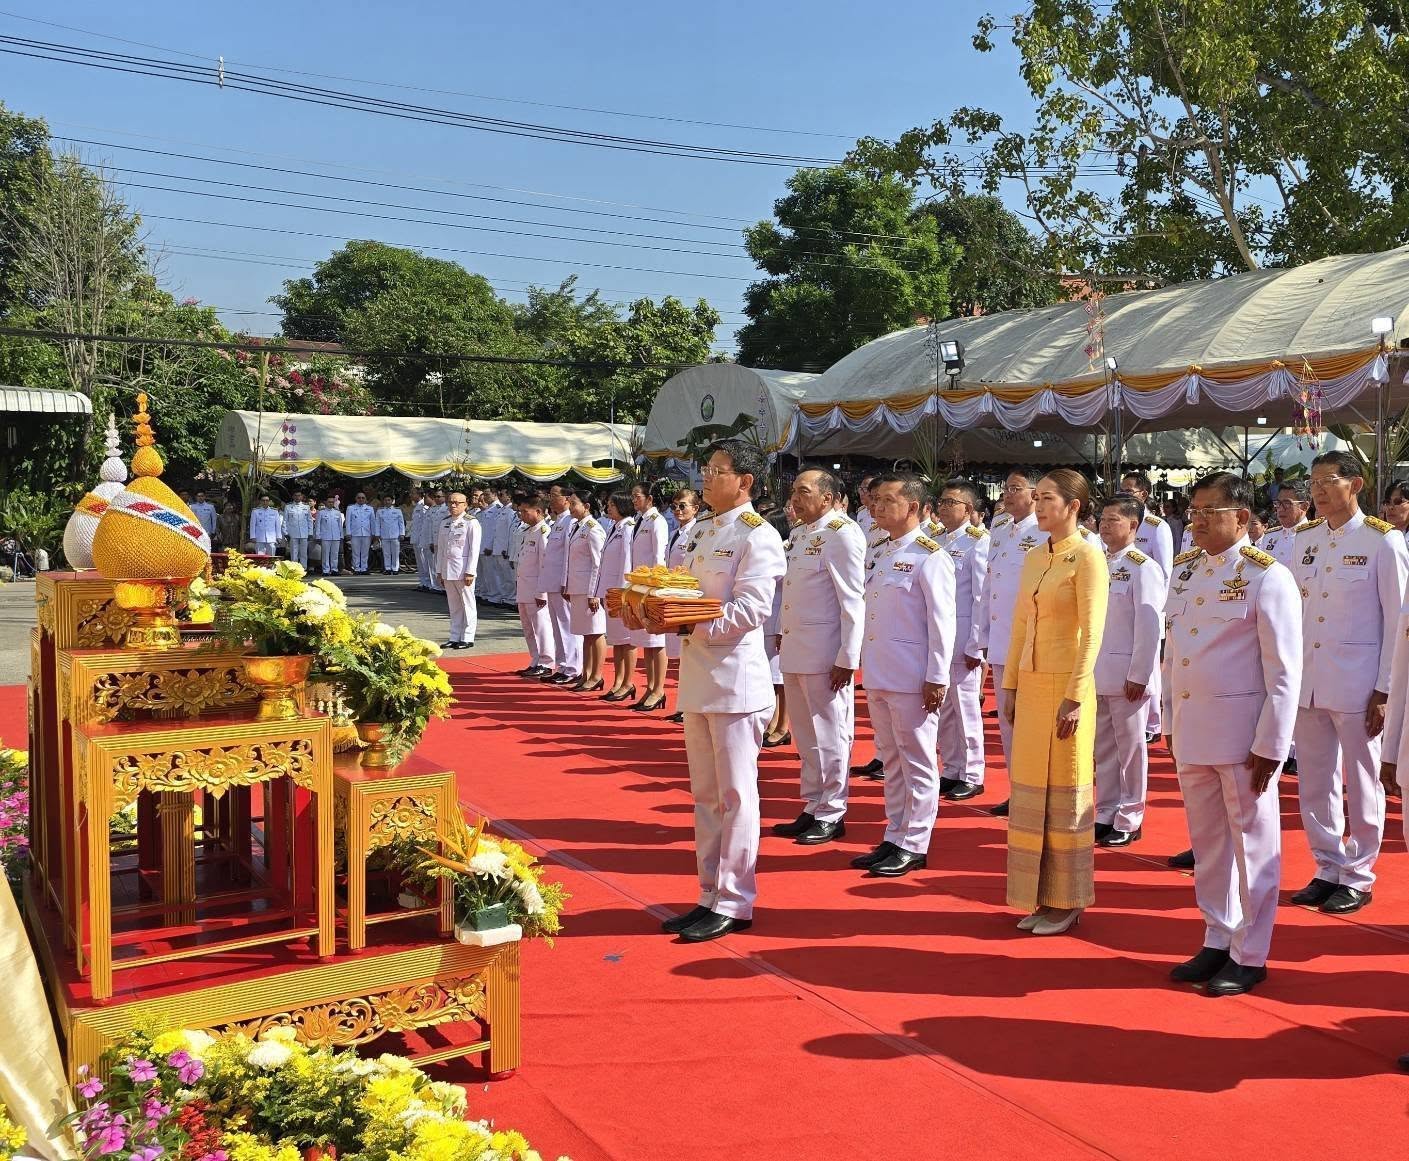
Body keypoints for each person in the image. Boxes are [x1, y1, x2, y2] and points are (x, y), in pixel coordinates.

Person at [1162, 471, 1301, 996]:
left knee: (1253, 843)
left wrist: (1272, 744)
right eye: (1193, 511)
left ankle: (1251, 951)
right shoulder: (1186, 571)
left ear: (1241, 517)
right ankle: (1217, 936)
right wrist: (1170, 717)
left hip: (1244, 736)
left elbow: (1284, 671)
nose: (1195, 520)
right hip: (1195, 728)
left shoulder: (1269, 576)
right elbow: (1174, 654)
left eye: (1207, 511)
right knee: (1208, 843)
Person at [658, 439, 786, 942]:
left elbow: (753, 610)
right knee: (706, 796)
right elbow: (685, 594)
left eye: (716, 470)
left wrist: (692, 627)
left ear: (745, 481)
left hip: (735, 680)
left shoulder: (759, 536)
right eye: (705, 469)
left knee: (736, 795)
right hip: (697, 679)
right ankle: (708, 892)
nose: (706, 478)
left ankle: (735, 900)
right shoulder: (703, 530)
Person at [1288, 451, 1408, 914]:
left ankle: (1359, 874)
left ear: (1354, 485)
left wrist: (1386, 690)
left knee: (1361, 781)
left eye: (1327, 481)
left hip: (1360, 683)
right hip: (1310, 680)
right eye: (1312, 482)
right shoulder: (1306, 539)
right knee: (1315, 782)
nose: (1317, 490)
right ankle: (1327, 866)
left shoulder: (1383, 542)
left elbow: (1398, 621)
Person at [1001, 469, 1107, 935]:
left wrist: (1076, 696)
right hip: (1032, 681)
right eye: (1037, 498)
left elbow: (1093, 635)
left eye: (1048, 499)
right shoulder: (1033, 556)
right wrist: (1008, 684)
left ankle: (1068, 898)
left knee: (1065, 789)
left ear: (1074, 505)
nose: (1039, 506)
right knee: (1030, 791)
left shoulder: (1087, 556)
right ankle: (1039, 896)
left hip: (1068, 687)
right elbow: (1021, 624)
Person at [846, 471, 955, 877]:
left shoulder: (931, 556)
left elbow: (943, 624)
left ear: (912, 506)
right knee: (891, 760)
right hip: (880, 671)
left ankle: (915, 842)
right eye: (875, 501)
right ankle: (894, 833)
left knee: (918, 761)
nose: (877, 507)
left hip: (912, 677)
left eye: (887, 500)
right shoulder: (884, 550)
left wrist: (937, 676)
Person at [771, 469, 865, 846]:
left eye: (803, 492)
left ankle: (833, 811)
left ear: (826, 498)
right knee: (806, 736)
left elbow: (852, 599)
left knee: (830, 734)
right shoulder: (800, 534)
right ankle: (813, 804)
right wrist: (781, 627)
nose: (795, 498)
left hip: (826, 652)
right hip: (796, 648)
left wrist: (848, 655)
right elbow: (792, 591)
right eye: (794, 491)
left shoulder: (842, 534)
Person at [970, 469, 1047, 817]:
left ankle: (1039, 796)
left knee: (1034, 727)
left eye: (1016, 488)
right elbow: (990, 586)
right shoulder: (1000, 528)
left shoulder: (1046, 531)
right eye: (1006, 488)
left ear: (1035, 493)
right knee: (1008, 724)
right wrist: (982, 634)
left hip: (1033, 645)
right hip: (1002, 642)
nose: (1008, 494)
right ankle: (1020, 792)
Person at [1094, 494, 1164, 846]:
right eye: (1103, 519)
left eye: (1114, 520)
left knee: (1132, 750)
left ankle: (1130, 816)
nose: (1105, 526)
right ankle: (1106, 811)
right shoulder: (1097, 562)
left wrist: (1139, 674)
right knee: (1103, 748)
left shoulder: (1143, 567)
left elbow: (1150, 628)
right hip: (1097, 672)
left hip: (1127, 675)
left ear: (1133, 526)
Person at [934, 478, 990, 801]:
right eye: (941, 501)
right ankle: (952, 768)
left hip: (964, 634)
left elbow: (982, 597)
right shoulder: (937, 539)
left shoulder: (978, 542)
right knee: (944, 708)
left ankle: (972, 772)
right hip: (940, 635)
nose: (943, 507)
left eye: (950, 502)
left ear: (968, 509)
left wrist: (975, 644)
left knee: (966, 707)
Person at [628, 481, 669, 710]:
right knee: (647, 642)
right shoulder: (641, 521)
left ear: (650, 499)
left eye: (638, 496)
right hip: (640, 585)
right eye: (633, 497)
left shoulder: (657, 522)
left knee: (656, 642)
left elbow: (658, 557)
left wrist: (655, 588)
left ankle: (659, 689)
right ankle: (651, 687)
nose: (634, 500)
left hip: (651, 586)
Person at [664, 489, 702, 723]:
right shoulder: (677, 533)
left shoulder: (698, 532)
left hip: (688, 599)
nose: (678, 511)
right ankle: (684, 703)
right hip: (675, 596)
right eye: (675, 506)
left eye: (683, 506)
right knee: (680, 657)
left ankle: (691, 705)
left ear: (695, 509)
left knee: (690, 657)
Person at [564, 488, 607, 692]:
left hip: (589, 590)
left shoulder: (593, 528)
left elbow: (598, 564)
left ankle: (596, 675)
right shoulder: (577, 526)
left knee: (595, 633)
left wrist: (594, 593)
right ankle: (586, 673)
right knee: (585, 634)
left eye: (574, 503)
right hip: (578, 587)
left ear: (587, 506)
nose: (570, 507)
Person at [596, 493, 638, 702]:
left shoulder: (629, 528)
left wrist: (622, 593)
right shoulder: (615, 527)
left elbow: (626, 563)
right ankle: (618, 680)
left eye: (612, 504)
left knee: (626, 640)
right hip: (611, 590)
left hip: (621, 592)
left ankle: (628, 682)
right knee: (617, 641)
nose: (608, 507)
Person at [540, 485, 582, 686]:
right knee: (557, 626)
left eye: (554, 496)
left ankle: (574, 668)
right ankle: (563, 665)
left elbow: (568, 556)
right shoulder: (558, 521)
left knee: (567, 625)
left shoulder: (570, 521)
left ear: (566, 499)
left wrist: (566, 581)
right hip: (553, 580)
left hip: (562, 582)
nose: (550, 499)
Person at [513, 491, 555, 679]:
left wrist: (542, 592)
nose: (521, 515)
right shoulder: (528, 531)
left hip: (536, 589)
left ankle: (546, 662)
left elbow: (545, 565)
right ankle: (535, 659)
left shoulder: (543, 532)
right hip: (524, 586)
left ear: (538, 511)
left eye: (524, 511)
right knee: (528, 627)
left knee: (541, 626)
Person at [432, 492, 479, 649]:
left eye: (457, 503)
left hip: (463, 570)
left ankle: (467, 637)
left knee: (467, 604)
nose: (453, 505)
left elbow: (474, 549)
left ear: (465, 505)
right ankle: (454, 636)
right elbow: (441, 549)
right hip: (448, 569)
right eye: (450, 502)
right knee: (453, 605)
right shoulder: (445, 522)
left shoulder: (471, 523)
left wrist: (470, 571)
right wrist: (439, 571)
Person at [1121, 471, 1175, 579]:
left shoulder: (1157, 527)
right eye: (1121, 492)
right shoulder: (1119, 522)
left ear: (1144, 494)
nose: (1123, 496)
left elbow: (1165, 573)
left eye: (1128, 492)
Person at [1260, 481, 1311, 567]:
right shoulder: (1269, 537)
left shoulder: (1316, 536)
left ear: (1304, 506)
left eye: (1287, 503)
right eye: (1278, 503)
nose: (1280, 509)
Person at [345, 492, 376, 575]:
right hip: (355, 533)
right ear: (356, 499)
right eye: (359, 497)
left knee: (365, 552)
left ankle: (364, 568)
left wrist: (373, 533)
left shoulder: (370, 508)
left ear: (365, 499)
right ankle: (357, 568)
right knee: (355, 552)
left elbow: (372, 522)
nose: (361, 499)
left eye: (363, 498)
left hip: (366, 533)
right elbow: (348, 521)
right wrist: (348, 532)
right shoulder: (351, 508)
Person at [314, 497, 344, 576]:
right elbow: (318, 525)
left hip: (336, 536)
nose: (331, 503)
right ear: (326, 503)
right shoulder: (321, 512)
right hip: (325, 536)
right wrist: (318, 536)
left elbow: (339, 525)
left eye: (332, 502)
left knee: (335, 554)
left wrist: (341, 535)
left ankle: (334, 569)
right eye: (329, 502)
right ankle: (326, 570)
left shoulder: (337, 512)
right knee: (325, 554)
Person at [376, 495, 405, 574]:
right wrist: (377, 533)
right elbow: (377, 523)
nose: (387, 502)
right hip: (384, 535)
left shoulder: (397, 511)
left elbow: (401, 523)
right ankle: (388, 568)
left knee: (395, 553)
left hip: (395, 535)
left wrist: (402, 533)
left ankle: (395, 568)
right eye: (385, 500)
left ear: (392, 501)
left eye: (389, 500)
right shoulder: (380, 511)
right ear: (383, 501)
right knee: (386, 553)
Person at [283, 491, 312, 568]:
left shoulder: (306, 507)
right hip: (293, 533)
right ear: (293, 496)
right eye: (295, 495)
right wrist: (285, 532)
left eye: (299, 495)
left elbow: (309, 520)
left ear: (302, 497)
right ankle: (294, 569)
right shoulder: (288, 507)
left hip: (304, 533)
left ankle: (304, 569)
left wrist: (310, 532)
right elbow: (285, 520)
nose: (297, 497)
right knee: (294, 552)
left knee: (304, 553)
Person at [427, 490, 449, 592]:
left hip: (443, 541)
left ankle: (443, 586)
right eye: (435, 496)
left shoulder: (447, 509)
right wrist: (431, 540)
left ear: (444, 497)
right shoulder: (434, 509)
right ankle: (436, 585)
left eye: (439, 496)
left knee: (443, 564)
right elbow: (432, 527)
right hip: (435, 540)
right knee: (435, 564)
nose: (436, 498)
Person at [411, 489, 433, 589]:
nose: (411, 495)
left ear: (419, 495)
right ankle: (423, 582)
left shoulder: (424, 507)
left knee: (425, 562)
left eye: (413, 493)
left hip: (422, 538)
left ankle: (428, 582)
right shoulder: (418, 506)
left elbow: (425, 524)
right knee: (420, 562)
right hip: (416, 538)